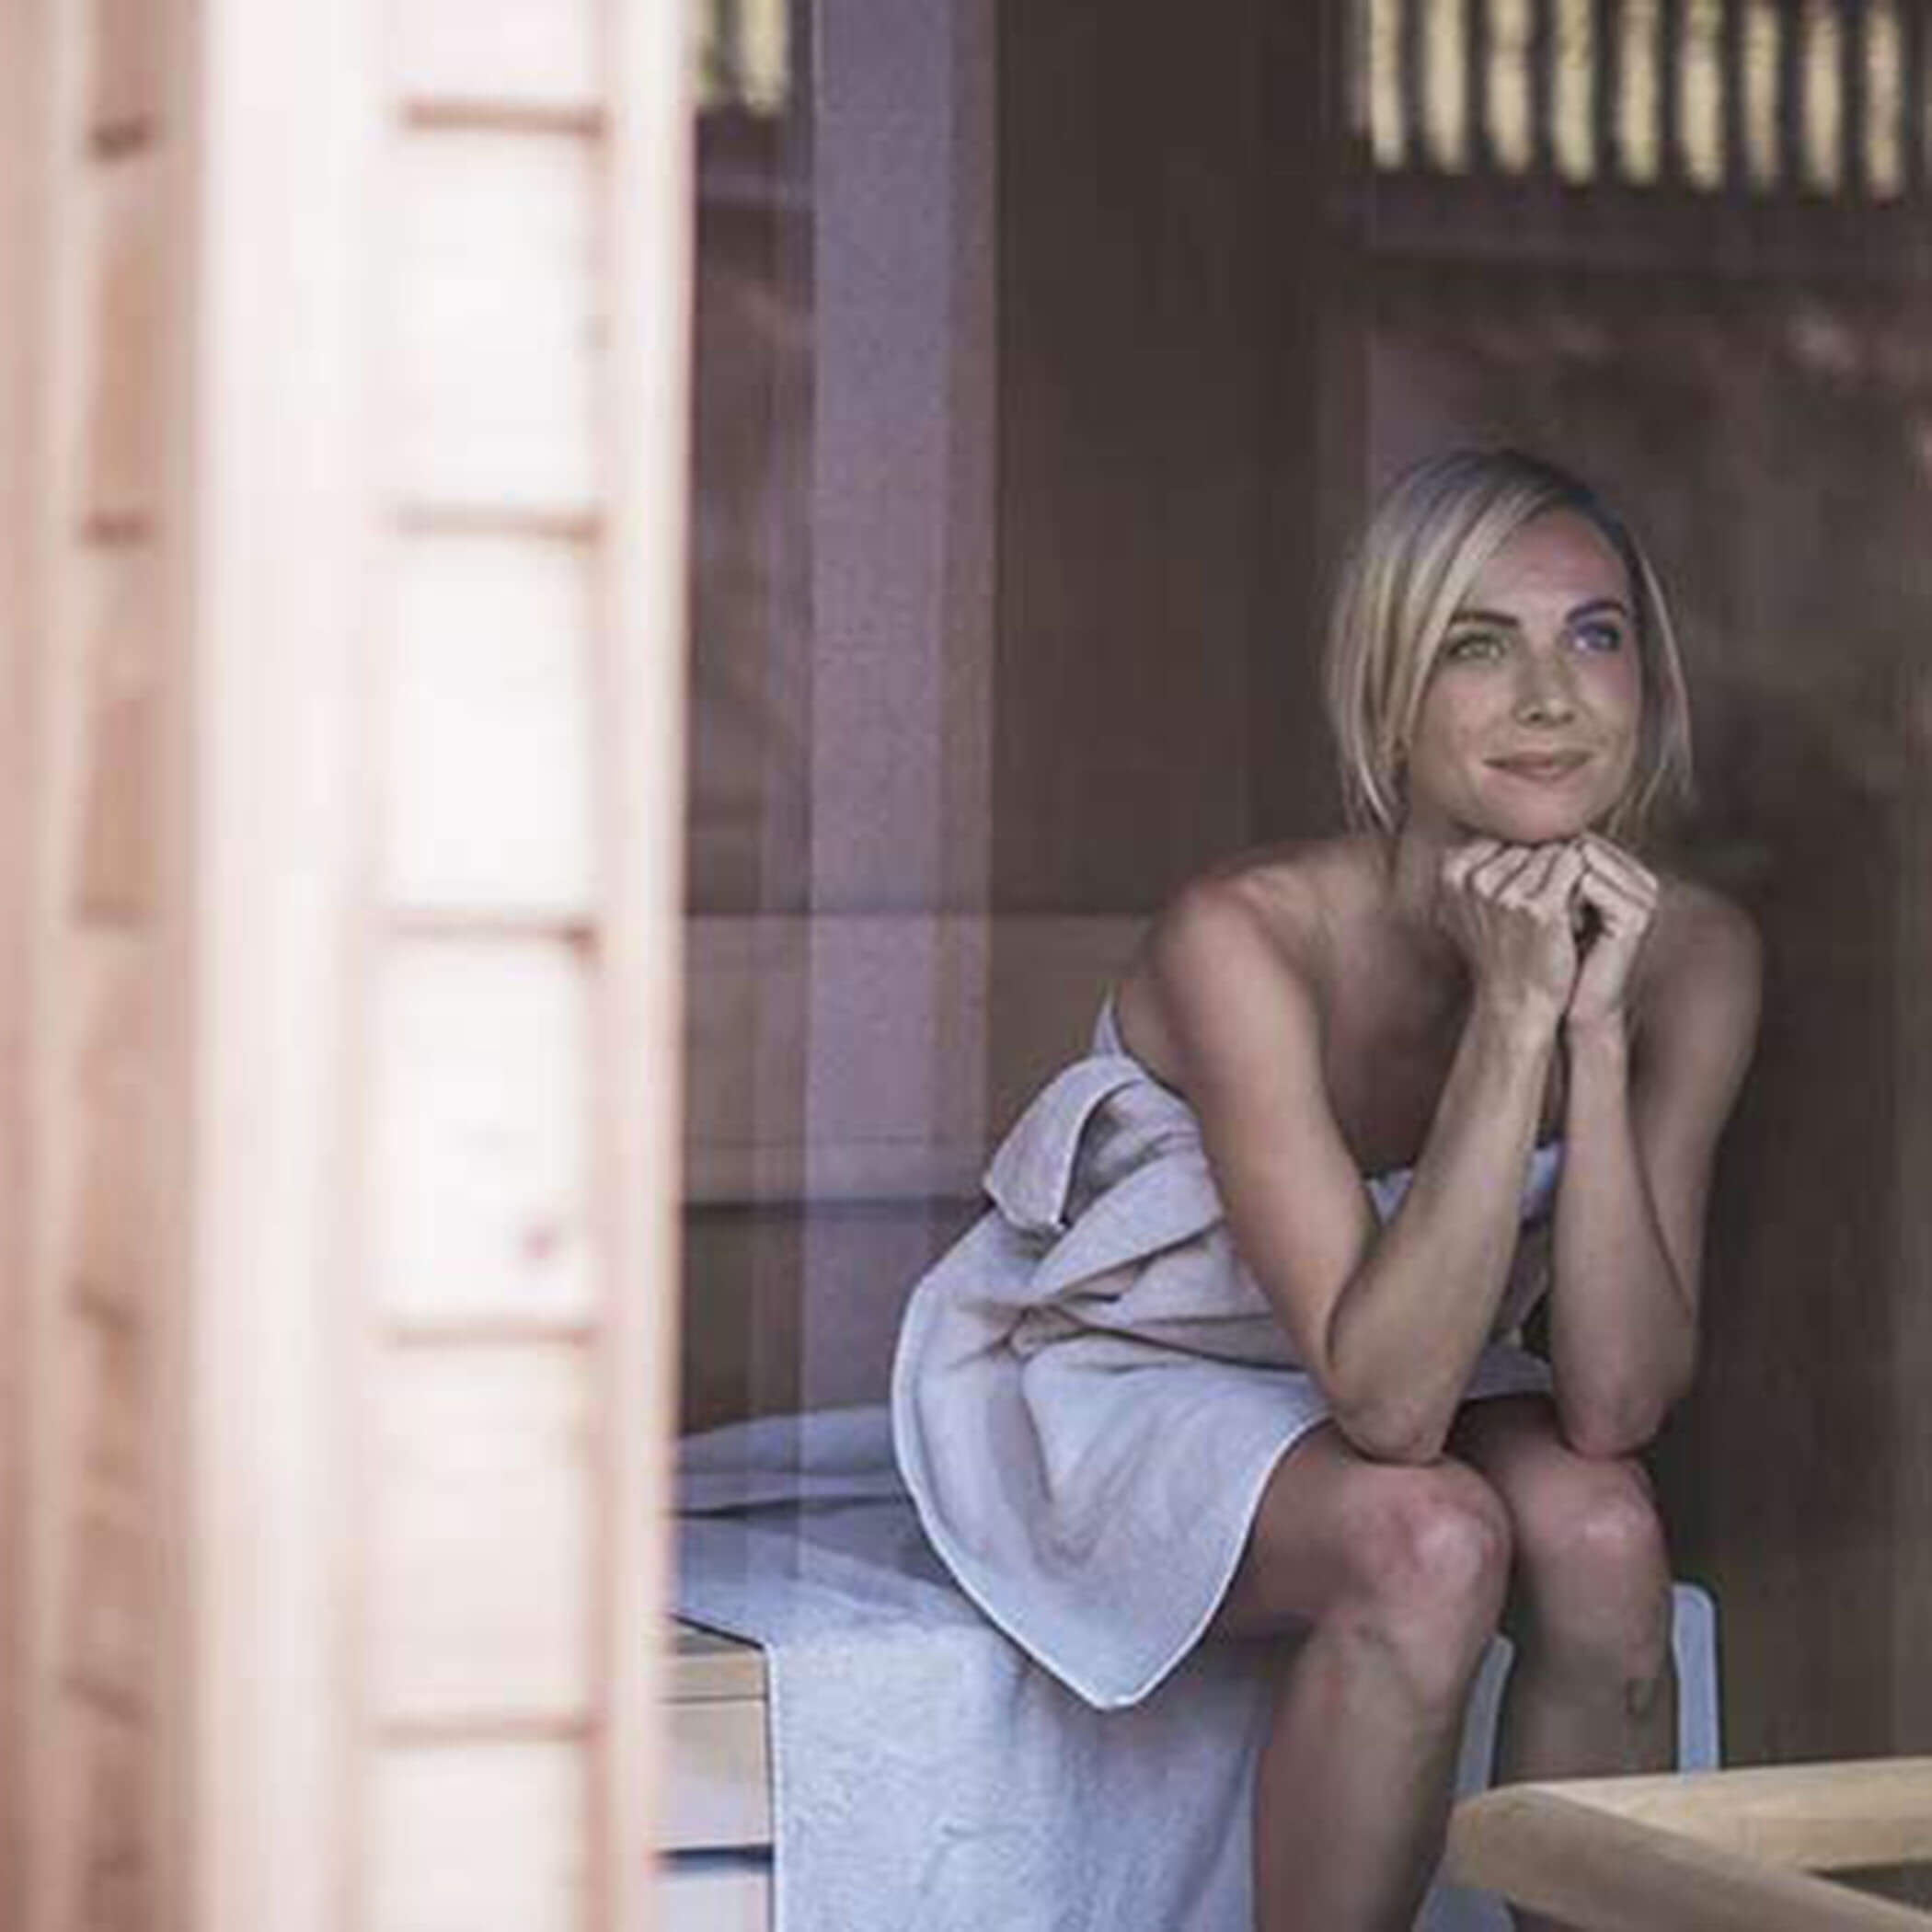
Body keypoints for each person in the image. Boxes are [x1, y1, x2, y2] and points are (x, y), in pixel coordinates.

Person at [891, 448, 1762, 1931]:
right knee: (1432, 1543)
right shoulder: (1243, 937)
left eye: (1594, 636)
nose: (1549, 696)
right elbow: (1394, 1415)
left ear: (1649, 690)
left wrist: (1593, 1031)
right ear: (1388, 700)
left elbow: (1613, 1404)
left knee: (1609, 1536)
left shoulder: (1696, 955)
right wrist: (1507, 1021)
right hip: (1125, 1377)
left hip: (1397, 1353)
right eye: (1476, 646)